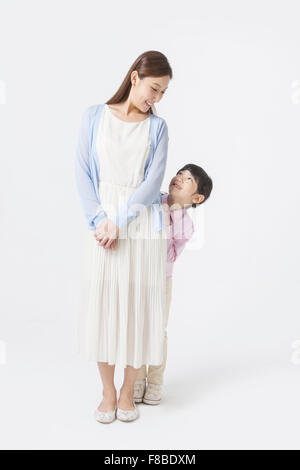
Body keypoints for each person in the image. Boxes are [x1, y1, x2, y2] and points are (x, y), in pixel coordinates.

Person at [74, 51, 172, 423]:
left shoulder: (158, 128)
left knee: (136, 309)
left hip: (140, 226)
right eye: (154, 88)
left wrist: (121, 221)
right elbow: (83, 173)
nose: (157, 98)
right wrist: (100, 221)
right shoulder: (93, 117)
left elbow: (152, 182)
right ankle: (108, 391)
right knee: (103, 307)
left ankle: (129, 390)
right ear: (135, 78)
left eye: (163, 93)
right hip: (101, 230)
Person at [133, 164, 213, 405]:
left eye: (188, 179)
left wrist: (169, 217)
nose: (179, 177)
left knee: (157, 331)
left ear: (197, 197)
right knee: (137, 328)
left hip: (161, 281)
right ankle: (136, 379)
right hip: (138, 277)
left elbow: (170, 255)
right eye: (180, 173)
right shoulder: (153, 199)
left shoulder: (186, 225)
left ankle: (155, 381)